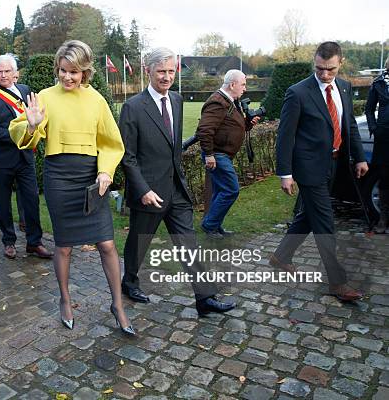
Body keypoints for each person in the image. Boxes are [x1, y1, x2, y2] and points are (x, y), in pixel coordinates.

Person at [10, 40, 134, 334]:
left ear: (85, 72)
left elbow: (111, 143)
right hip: (59, 178)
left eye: (74, 72)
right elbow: (20, 131)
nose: (67, 77)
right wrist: (31, 124)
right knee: (64, 246)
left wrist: (105, 171)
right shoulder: (44, 97)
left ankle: (117, 304)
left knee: (106, 243)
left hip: (91, 177)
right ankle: (65, 300)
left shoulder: (97, 100)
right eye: (63, 70)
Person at [119, 47, 236, 316]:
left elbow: (173, 146)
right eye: (161, 71)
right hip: (148, 191)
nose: (167, 77)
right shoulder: (133, 107)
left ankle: (205, 299)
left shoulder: (177, 100)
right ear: (148, 71)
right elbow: (128, 156)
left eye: (171, 71)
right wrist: (143, 190)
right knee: (139, 241)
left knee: (188, 243)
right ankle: (129, 282)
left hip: (177, 188)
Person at [272, 41, 368, 301]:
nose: (324, 75)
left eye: (330, 70)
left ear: (341, 63)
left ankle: (280, 256)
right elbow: (285, 136)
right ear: (314, 61)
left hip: (335, 164)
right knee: (325, 222)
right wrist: (285, 173)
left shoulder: (345, 88)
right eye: (319, 68)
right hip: (308, 168)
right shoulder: (298, 92)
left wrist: (359, 157)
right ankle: (338, 283)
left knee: (308, 216)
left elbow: (348, 126)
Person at [0, 54, 52, 259]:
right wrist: (23, 136)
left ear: (15, 73)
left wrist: (33, 131)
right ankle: (9, 241)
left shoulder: (25, 91)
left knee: (31, 200)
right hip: (1, 159)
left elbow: (35, 119)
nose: (3, 75)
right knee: (3, 203)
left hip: (24, 157)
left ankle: (34, 242)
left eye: (7, 71)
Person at [196, 69, 260, 238]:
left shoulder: (230, 100)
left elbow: (232, 126)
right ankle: (209, 225)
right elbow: (204, 130)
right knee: (231, 190)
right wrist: (209, 155)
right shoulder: (218, 102)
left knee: (220, 191)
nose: (245, 88)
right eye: (243, 84)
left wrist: (248, 123)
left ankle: (215, 226)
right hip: (217, 155)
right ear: (232, 85)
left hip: (222, 155)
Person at [365, 58, 389, 234]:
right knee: (384, 180)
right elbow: (369, 108)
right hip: (384, 138)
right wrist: (374, 128)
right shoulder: (379, 83)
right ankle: (383, 219)